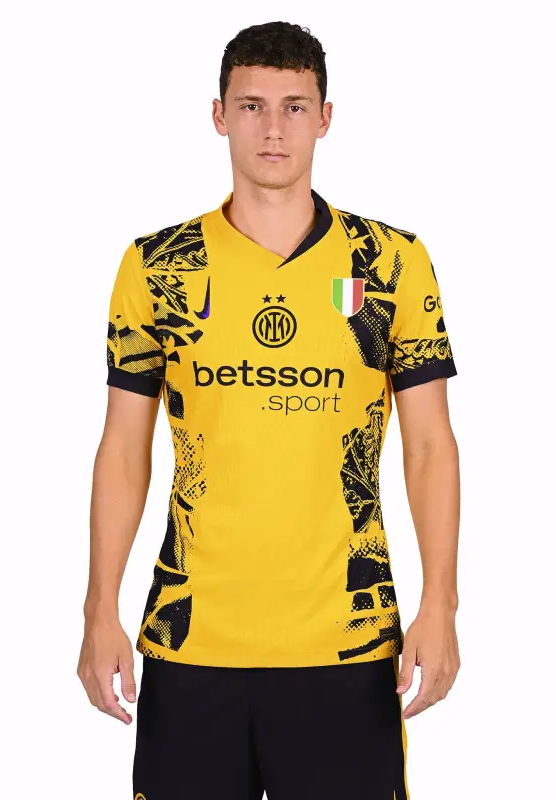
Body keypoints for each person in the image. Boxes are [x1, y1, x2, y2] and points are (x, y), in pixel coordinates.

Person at [78, 20, 461, 800]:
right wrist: (98, 610)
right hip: (191, 641)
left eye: (295, 107)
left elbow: (430, 445)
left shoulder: (389, 264)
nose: (274, 129)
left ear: (326, 118)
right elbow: (121, 448)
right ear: (219, 115)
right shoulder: (158, 267)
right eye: (252, 106)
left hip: (346, 644)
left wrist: (441, 605)